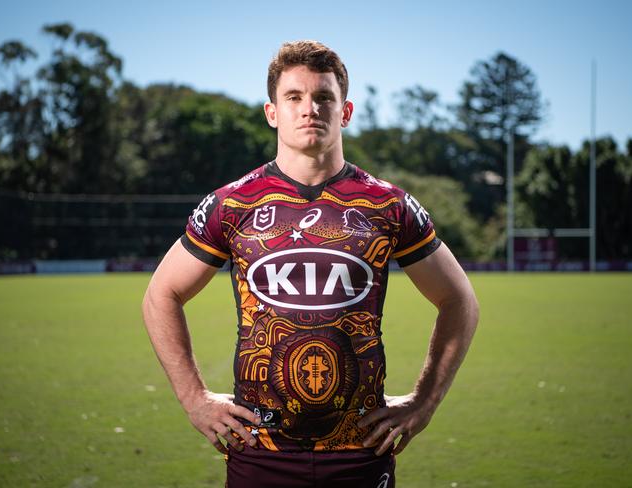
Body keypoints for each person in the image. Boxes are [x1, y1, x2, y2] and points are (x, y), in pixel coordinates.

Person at [142, 40, 479, 488]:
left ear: (346, 111)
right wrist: (194, 399)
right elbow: (160, 294)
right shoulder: (231, 203)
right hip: (259, 449)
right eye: (294, 97)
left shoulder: (388, 205)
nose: (310, 110)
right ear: (272, 112)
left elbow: (459, 300)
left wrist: (424, 401)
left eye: (324, 98)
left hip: (360, 450)